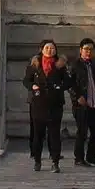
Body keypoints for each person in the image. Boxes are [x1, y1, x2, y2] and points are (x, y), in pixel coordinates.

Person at [23, 40, 70, 173]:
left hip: (55, 103)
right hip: (38, 103)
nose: (50, 50)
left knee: (54, 134)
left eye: (52, 48)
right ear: (42, 49)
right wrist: (32, 86)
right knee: (38, 133)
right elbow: (26, 80)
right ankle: (37, 160)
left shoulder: (60, 65)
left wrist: (60, 87)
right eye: (47, 48)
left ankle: (55, 161)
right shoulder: (34, 64)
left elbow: (67, 81)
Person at [67, 38, 95, 168]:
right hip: (81, 104)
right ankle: (78, 158)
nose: (88, 52)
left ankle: (91, 156)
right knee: (82, 132)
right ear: (80, 50)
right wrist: (77, 96)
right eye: (86, 49)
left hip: (93, 102)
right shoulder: (75, 65)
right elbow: (70, 84)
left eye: (90, 49)